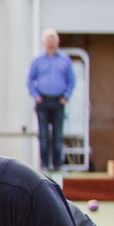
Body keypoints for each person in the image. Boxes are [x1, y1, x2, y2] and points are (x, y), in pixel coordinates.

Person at [27, 29, 76, 172]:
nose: (51, 44)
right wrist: (36, 96)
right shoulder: (37, 61)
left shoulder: (64, 60)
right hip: (42, 101)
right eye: (48, 41)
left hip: (58, 101)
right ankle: (44, 165)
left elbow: (72, 81)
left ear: (57, 42)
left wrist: (66, 97)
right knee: (43, 135)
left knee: (57, 135)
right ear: (44, 43)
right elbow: (30, 80)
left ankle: (57, 165)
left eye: (53, 41)